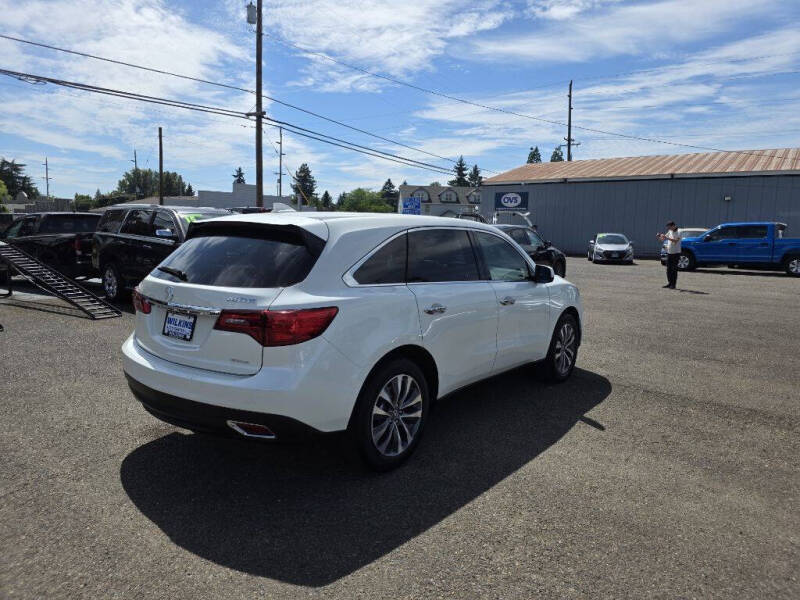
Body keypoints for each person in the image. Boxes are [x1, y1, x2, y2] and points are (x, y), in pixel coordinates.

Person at [658, 221, 681, 289]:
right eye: (668, 227)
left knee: (674, 269)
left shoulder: (679, 232)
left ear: (673, 225)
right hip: (669, 252)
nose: (669, 229)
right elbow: (663, 238)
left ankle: (673, 285)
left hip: (676, 253)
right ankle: (669, 283)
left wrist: (666, 238)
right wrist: (660, 237)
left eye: (670, 227)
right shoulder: (670, 231)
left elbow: (675, 241)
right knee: (668, 269)